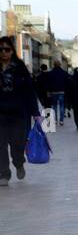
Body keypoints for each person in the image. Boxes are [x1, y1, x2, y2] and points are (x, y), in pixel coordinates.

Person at [0, 36, 42, 186]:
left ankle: (18, 163)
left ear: (12, 51)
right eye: (1, 49)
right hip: (1, 115)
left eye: (7, 49)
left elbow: (29, 92)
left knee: (17, 144)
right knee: (1, 146)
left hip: (18, 113)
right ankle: (4, 174)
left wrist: (35, 113)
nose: (4, 52)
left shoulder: (20, 68)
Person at [37, 61, 70, 125]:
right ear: (60, 65)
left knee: (54, 106)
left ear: (54, 65)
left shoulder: (50, 73)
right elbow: (67, 83)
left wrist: (48, 91)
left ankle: (55, 120)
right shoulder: (64, 73)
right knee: (62, 106)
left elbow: (48, 83)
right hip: (62, 91)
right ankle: (61, 121)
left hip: (53, 92)